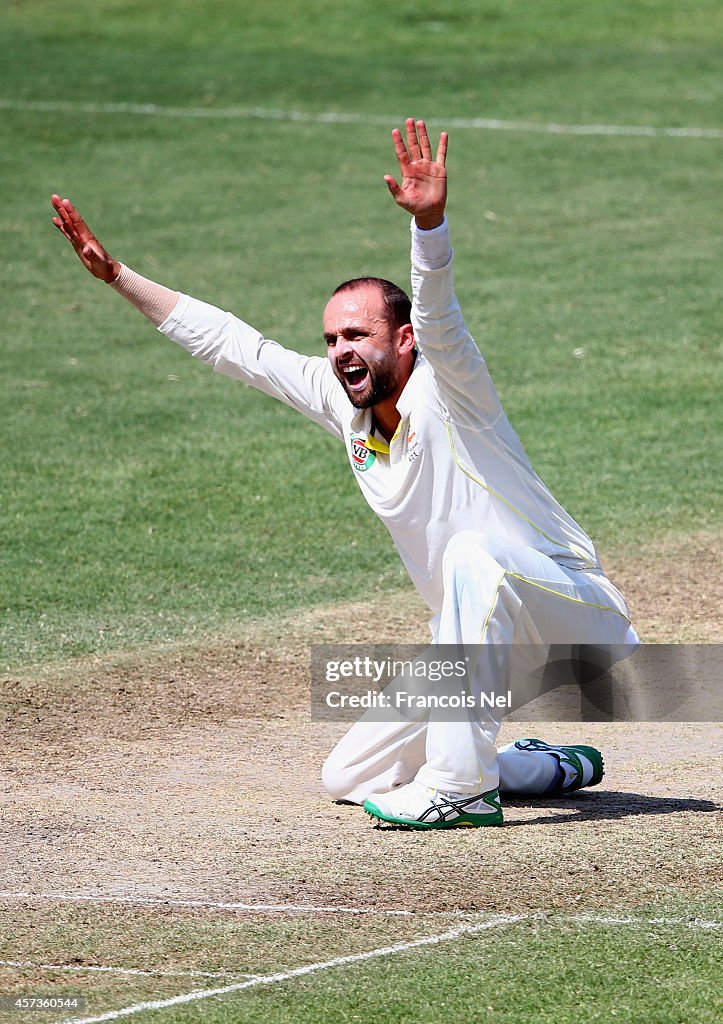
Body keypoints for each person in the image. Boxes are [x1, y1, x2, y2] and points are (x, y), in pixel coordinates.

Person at [51, 118, 638, 831]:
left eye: (355, 335)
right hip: (482, 644)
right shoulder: (343, 403)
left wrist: (430, 227)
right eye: (330, 339)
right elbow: (236, 347)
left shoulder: (452, 387)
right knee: (348, 775)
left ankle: (461, 786)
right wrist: (118, 277)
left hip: (574, 621)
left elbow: (439, 307)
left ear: (403, 339)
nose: (338, 352)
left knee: (470, 553)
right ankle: (531, 766)